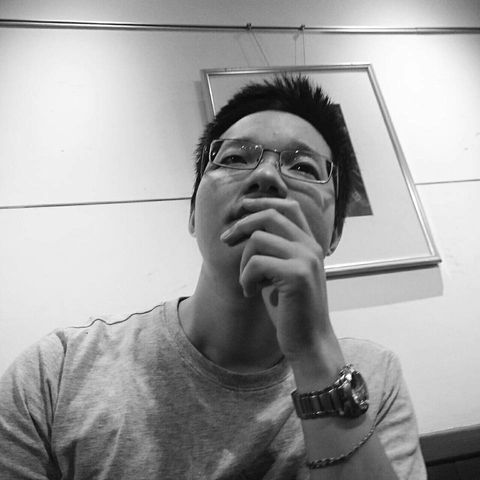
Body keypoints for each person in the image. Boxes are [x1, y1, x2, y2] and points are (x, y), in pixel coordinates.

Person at [0, 75, 426, 479]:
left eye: (303, 167)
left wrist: (315, 355)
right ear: (192, 214)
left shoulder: (371, 380)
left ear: (334, 235)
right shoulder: (54, 375)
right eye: (235, 158)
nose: (265, 176)